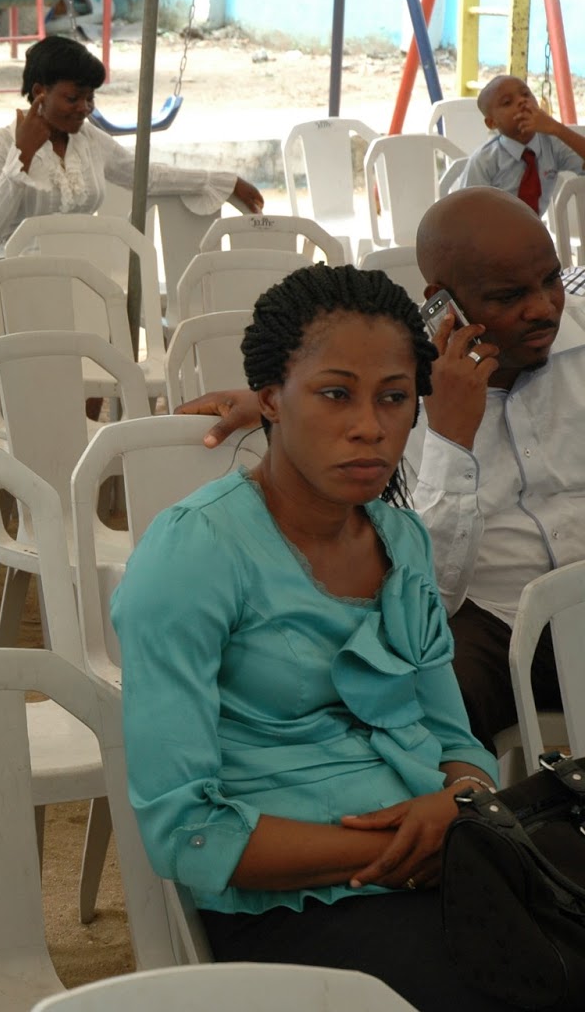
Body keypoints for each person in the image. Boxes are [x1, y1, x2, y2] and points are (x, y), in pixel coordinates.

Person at [116, 264, 503, 1011]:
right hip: (294, 906)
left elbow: (458, 742)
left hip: (441, 865)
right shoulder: (196, 553)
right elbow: (184, 830)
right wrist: (404, 853)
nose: (370, 425)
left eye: (394, 398)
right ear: (269, 400)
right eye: (335, 395)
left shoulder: (400, 540)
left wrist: (459, 799)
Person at [179, 188, 577, 751]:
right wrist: (448, 438)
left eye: (551, 281)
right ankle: (475, 832)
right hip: (488, 617)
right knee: (415, 688)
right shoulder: (396, 394)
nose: (542, 307)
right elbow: (429, 596)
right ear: (444, 301)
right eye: (509, 295)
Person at [0, 35, 264, 250]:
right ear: (39, 92)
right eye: (73, 98)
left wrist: (223, 181)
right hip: (13, 282)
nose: (83, 108)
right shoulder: (2, 143)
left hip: (82, 273)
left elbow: (146, 177)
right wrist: (22, 155)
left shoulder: (88, 141)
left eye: (90, 99)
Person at [455, 74, 585, 215]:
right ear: (492, 123)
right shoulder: (484, 161)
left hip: (534, 232)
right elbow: (467, 214)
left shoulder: (552, 144)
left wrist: (556, 128)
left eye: (526, 94)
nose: (522, 101)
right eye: (507, 102)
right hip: (491, 233)